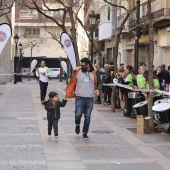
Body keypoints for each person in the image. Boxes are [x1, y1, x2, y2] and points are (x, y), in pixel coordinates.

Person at [66, 57, 102, 139]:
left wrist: (98, 89)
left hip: (89, 98)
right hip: (79, 97)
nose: (81, 67)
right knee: (78, 114)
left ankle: (85, 132)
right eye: (80, 65)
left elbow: (100, 82)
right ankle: (77, 124)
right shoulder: (77, 71)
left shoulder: (95, 72)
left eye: (83, 65)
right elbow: (72, 81)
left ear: (88, 65)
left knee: (87, 115)